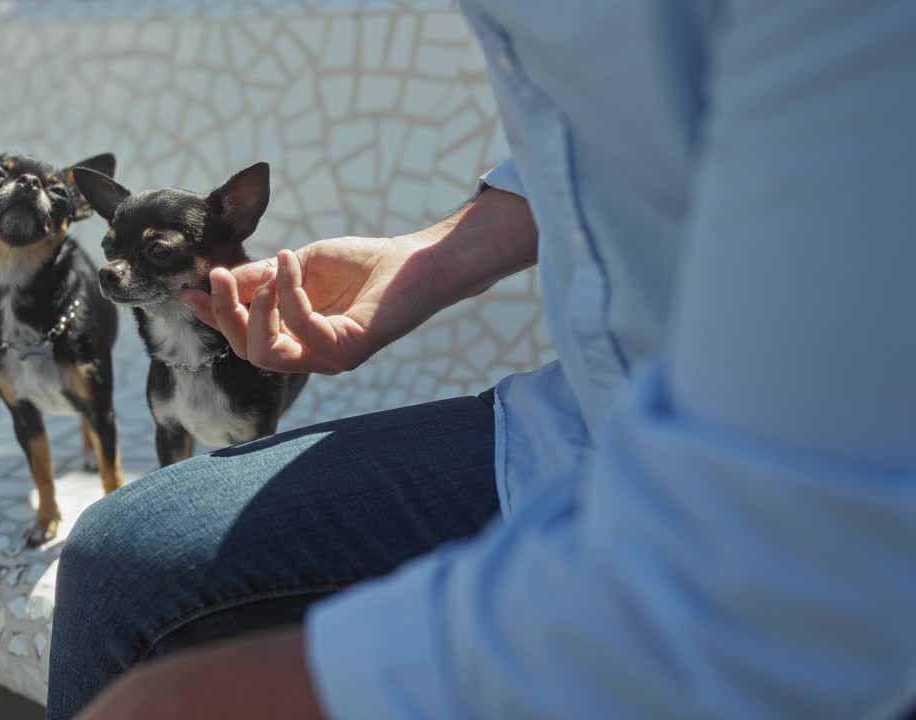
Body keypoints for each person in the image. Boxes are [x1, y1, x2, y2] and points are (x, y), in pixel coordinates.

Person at [47, 1, 916, 717]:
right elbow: (599, 150)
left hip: (748, 516)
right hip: (574, 418)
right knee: (118, 559)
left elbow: (807, 569)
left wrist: (315, 685)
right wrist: (421, 262)